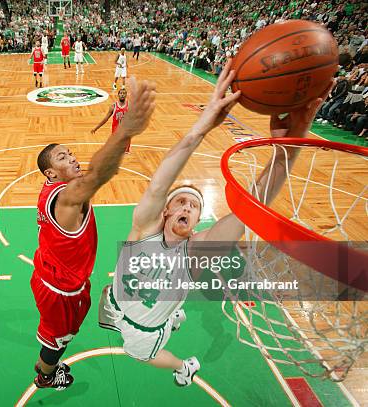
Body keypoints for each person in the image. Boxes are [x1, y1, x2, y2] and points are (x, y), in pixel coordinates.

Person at [98, 63, 333, 386]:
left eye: (194, 206)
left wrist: (289, 146)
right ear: (164, 212)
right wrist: (202, 125)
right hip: (117, 304)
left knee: (140, 353)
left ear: (196, 224)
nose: (187, 206)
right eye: (180, 201)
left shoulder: (196, 252)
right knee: (120, 302)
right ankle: (172, 315)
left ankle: (184, 366)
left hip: (145, 328)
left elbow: (250, 209)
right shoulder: (142, 231)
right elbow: (156, 186)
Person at [32, 78, 156, 390]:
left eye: (70, 152)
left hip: (61, 276)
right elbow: (101, 172)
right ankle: (45, 375)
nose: (72, 157)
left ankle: (51, 360)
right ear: (50, 173)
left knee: (64, 333)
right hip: (60, 289)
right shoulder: (67, 198)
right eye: (62, 157)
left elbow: (100, 172)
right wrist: (125, 130)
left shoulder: (60, 190)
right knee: (58, 339)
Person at [91, 88, 130, 153]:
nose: (122, 95)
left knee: (124, 155)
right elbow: (105, 119)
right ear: (118, 95)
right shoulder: (113, 106)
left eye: (124, 93)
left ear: (126, 95)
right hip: (115, 133)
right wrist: (96, 128)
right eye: (121, 93)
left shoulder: (130, 106)